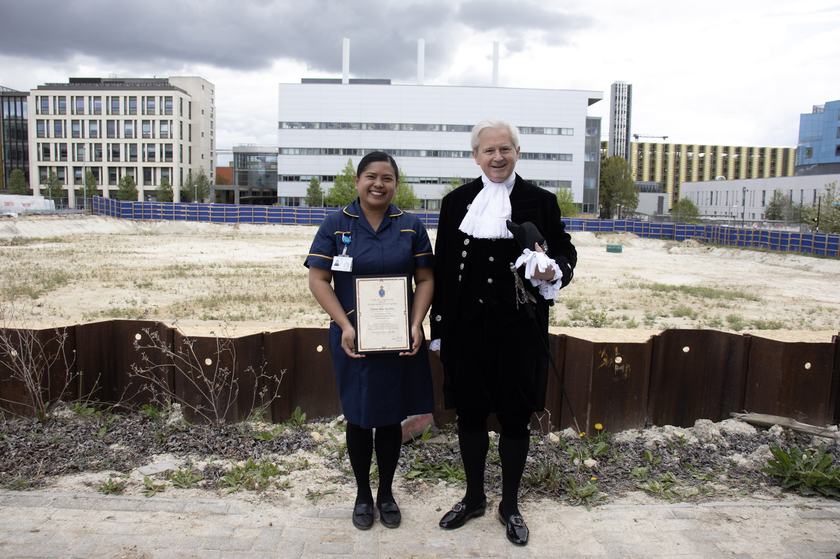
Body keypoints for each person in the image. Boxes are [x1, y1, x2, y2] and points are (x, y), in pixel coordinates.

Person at [430, 120, 576, 546]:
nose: (497, 157)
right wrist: (439, 327)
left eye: (505, 149)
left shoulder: (540, 201)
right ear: (475, 156)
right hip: (466, 331)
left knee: (515, 419)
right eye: (489, 150)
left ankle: (509, 504)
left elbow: (565, 251)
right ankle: (474, 496)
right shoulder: (456, 202)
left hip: (520, 331)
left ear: (517, 151)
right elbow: (442, 268)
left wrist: (555, 269)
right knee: (470, 415)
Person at [305, 151, 435, 530]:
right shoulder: (335, 223)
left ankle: (387, 493)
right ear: (357, 181)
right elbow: (318, 280)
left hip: (399, 337)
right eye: (371, 176)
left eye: (388, 178)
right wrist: (344, 325)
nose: (379, 184)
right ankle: (363, 493)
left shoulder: (411, 226)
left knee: (391, 417)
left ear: (396, 184)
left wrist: (416, 323)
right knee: (360, 419)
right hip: (353, 339)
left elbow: (426, 279)